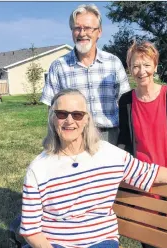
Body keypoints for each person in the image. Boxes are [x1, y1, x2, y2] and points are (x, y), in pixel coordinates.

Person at [20, 88, 167, 248]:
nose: (69, 121)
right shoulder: (38, 169)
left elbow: (151, 173)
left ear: (86, 120)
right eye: (62, 114)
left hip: (100, 243)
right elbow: (30, 230)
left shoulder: (107, 154)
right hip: (55, 245)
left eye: (77, 115)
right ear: (53, 118)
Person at [117, 41, 167, 248]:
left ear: (155, 66)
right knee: (149, 247)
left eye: (147, 65)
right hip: (141, 183)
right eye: (135, 66)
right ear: (130, 69)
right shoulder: (126, 101)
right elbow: (125, 143)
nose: (141, 71)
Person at [40, 4, 130, 145]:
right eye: (77, 28)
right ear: (72, 32)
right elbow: (51, 110)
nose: (82, 33)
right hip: (74, 136)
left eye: (88, 28)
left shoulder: (113, 63)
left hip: (110, 136)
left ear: (99, 32)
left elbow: (126, 104)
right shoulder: (59, 66)